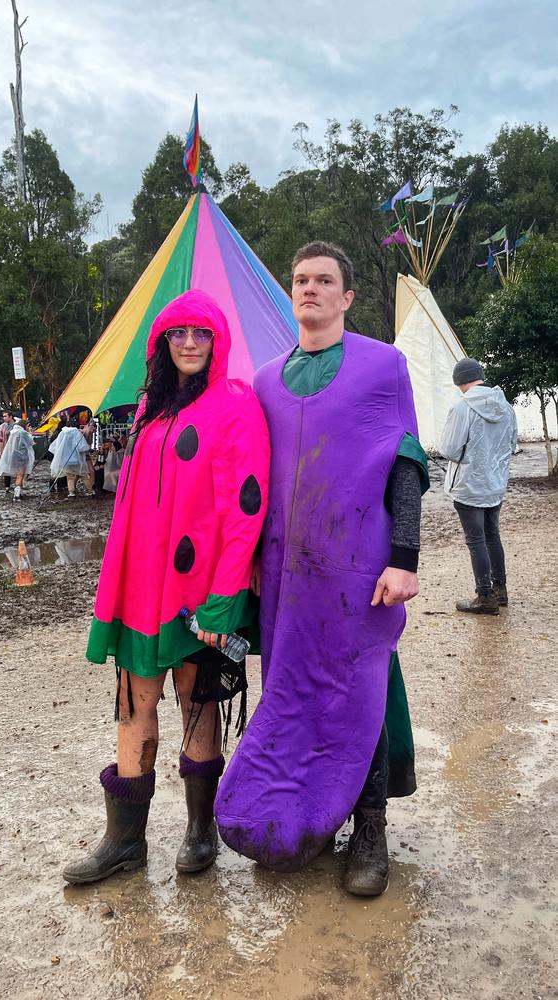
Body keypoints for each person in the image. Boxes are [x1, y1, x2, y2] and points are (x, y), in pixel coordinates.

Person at [215, 241, 428, 896]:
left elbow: (406, 464)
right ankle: (313, 814)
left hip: (358, 574)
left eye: (323, 280)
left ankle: (370, 827)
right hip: (285, 578)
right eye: (300, 279)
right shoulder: (266, 381)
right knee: (292, 695)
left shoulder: (383, 367)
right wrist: (245, 562)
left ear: (347, 297)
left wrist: (406, 558)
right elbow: (251, 483)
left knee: (360, 692)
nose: (309, 288)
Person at [63, 289, 270, 886]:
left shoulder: (235, 404)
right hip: (141, 588)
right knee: (134, 706)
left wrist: (226, 597)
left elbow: (246, 505)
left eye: (199, 333)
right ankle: (124, 840)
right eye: (176, 333)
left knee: (197, 704)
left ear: (216, 341)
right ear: (161, 342)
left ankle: (200, 829)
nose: (188, 343)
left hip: (202, 590)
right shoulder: (151, 408)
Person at [439, 358, 517, 614]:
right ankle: (500, 590)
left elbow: (449, 449)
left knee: (476, 540)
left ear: (459, 381)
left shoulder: (462, 408)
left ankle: (485, 597)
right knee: (492, 535)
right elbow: (511, 445)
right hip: (495, 484)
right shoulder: (506, 408)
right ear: (480, 377)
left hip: (469, 485)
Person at [48, 420, 93, 498]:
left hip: (65, 460)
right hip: (77, 460)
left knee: (70, 477)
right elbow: (82, 447)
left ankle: (71, 493)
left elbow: (54, 447)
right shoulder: (77, 433)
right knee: (84, 475)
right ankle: (90, 491)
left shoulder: (62, 433)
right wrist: (88, 448)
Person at [0, 418, 35, 500]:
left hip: (14, 456)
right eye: (28, 426)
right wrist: (30, 434)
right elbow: (30, 442)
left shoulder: (14, 432)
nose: (29, 427)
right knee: (20, 475)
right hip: (21, 457)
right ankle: (16, 495)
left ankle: (19, 492)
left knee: (18, 475)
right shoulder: (22, 433)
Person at [0, 411, 15, 491]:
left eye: (5, 416)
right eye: (3, 416)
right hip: (6, 450)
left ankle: (18, 486)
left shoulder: (17, 426)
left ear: (11, 416)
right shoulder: (3, 427)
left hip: (15, 450)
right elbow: (0, 440)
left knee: (17, 469)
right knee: (6, 469)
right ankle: (7, 487)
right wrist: (0, 451)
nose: (4, 418)